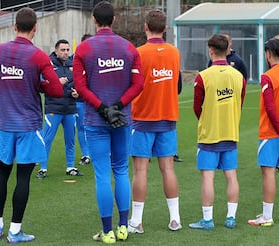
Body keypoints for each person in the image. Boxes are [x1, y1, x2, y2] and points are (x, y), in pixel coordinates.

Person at [0, 7, 64, 243]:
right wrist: (33, 84)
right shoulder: (38, 56)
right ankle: (14, 231)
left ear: (14, 26)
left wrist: (9, 84)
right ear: (35, 28)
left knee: (2, 172)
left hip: (6, 124)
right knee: (23, 178)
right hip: (29, 125)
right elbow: (56, 89)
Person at [73, 1, 144, 243]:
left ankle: (108, 232)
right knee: (121, 170)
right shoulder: (129, 48)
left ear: (94, 20)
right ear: (114, 20)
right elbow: (138, 85)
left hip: (95, 119)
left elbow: (80, 87)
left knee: (103, 175)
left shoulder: (83, 49)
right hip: (122, 119)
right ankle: (123, 227)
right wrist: (117, 106)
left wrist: (103, 108)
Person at [128, 9, 183, 234]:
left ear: (145, 27)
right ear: (165, 28)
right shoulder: (174, 53)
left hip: (142, 118)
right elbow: (177, 85)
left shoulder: (138, 53)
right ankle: (175, 219)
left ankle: (137, 221)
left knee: (140, 170)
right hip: (167, 117)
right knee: (167, 168)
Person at [189, 34, 246, 230]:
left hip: (209, 135)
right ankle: (231, 218)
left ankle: (207, 220)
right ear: (227, 49)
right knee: (231, 176)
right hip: (230, 132)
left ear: (211, 50)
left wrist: (209, 120)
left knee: (208, 177)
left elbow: (197, 107)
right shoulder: (239, 76)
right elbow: (240, 101)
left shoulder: (203, 76)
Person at [36, 39, 83, 179]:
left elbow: (78, 83)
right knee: (47, 139)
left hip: (70, 107)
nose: (66, 52)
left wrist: (77, 93)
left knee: (70, 139)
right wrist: (57, 83)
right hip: (53, 108)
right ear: (56, 51)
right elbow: (41, 84)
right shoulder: (48, 65)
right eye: (63, 50)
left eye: (67, 50)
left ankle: (70, 167)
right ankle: (43, 169)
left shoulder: (73, 65)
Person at [247, 38, 279, 227]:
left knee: (268, 173)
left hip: (271, 132)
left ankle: (267, 216)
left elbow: (270, 107)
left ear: (268, 54)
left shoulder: (268, 76)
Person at [75, 33, 92, 166]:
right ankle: (86, 154)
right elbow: (70, 78)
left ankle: (106, 153)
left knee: (98, 127)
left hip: (95, 101)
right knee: (81, 127)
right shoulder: (75, 60)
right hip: (80, 100)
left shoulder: (96, 59)